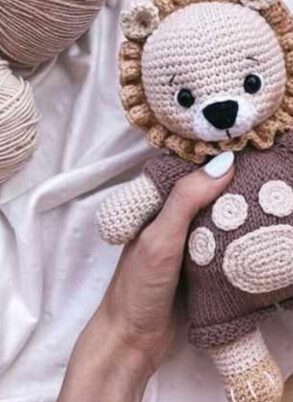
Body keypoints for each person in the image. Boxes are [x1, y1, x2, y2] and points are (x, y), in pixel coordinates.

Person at [58, 152, 235, 402]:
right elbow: (116, 221)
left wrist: (131, 335)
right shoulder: (182, 166)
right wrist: (131, 335)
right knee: (234, 337)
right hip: (224, 303)